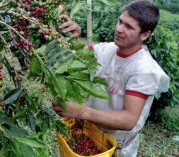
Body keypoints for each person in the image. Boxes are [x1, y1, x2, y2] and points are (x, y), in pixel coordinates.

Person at [52, 0, 170, 156]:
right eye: (120, 22)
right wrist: (72, 35)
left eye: (129, 27)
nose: (119, 29)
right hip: (90, 135)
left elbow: (129, 120)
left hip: (116, 148)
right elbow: (74, 56)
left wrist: (81, 111)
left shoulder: (145, 70)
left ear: (145, 34)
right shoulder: (106, 49)